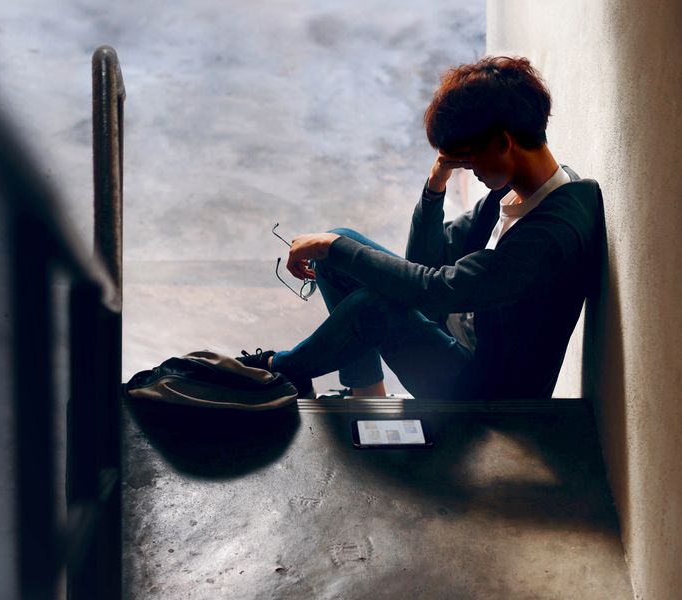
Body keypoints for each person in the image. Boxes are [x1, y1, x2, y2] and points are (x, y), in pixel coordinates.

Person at [238, 56, 605, 401]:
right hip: (457, 339)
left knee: (367, 297)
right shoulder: (518, 192)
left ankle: (278, 371)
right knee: (341, 244)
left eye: (469, 156)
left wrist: (332, 247)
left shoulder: (549, 235)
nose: (467, 167)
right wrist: (436, 184)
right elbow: (425, 260)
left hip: (483, 390)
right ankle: (366, 393)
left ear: (503, 142)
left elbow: (435, 290)